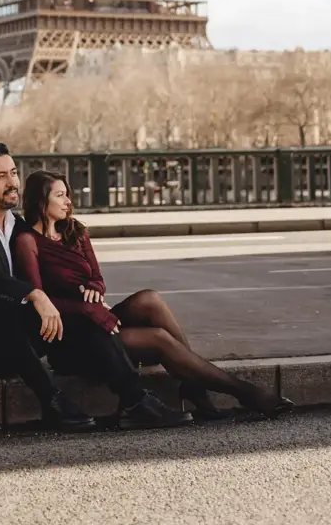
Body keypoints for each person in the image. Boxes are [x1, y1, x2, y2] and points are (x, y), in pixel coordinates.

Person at [0, 143, 190, 431]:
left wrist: (88, 299)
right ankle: (52, 400)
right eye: (0, 176)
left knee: (85, 317)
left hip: (13, 341)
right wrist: (35, 294)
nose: (12, 182)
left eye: (14, 173)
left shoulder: (16, 226)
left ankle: (136, 402)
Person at [15, 170, 294, 421]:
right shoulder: (28, 241)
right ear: (42, 201)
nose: (68, 202)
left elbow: (97, 278)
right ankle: (245, 393)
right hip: (74, 337)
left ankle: (195, 385)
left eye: (68, 195)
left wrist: (95, 290)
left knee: (150, 299)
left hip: (100, 321)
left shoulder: (75, 231)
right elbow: (38, 298)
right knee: (158, 337)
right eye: (60, 195)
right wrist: (88, 309)